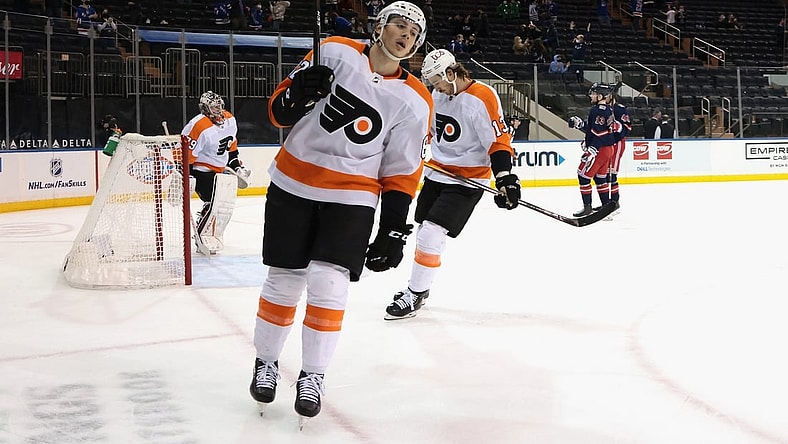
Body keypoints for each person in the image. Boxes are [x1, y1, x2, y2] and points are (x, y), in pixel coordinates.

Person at [249, 1, 431, 423]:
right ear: (379, 27)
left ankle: (313, 375)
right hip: (293, 182)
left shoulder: (416, 99)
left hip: (352, 196)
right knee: (284, 278)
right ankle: (267, 362)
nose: (405, 35)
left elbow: (402, 171)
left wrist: (393, 230)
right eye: (399, 25)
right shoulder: (333, 50)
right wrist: (298, 94)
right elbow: (278, 111)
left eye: (413, 33)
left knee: (329, 283)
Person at [382, 48, 520, 321]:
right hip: (437, 174)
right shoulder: (438, 94)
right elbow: (432, 131)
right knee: (426, 231)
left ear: (451, 72)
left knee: (431, 233)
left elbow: (497, 139)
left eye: (438, 81)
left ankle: (415, 292)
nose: (437, 88)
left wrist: (505, 177)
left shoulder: (482, 97)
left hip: (467, 180)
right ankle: (422, 287)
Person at [180, 91, 249, 233]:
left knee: (223, 206)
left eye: (220, 107)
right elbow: (186, 154)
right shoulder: (198, 125)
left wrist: (236, 165)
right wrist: (186, 175)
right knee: (213, 203)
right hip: (201, 171)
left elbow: (231, 145)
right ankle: (203, 227)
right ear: (205, 109)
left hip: (220, 171)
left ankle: (211, 230)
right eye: (214, 108)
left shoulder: (230, 120)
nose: (218, 111)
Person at [567, 82, 615, 216]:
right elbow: (596, 128)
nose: (591, 95)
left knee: (582, 176)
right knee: (600, 178)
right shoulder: (607, 109)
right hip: (607, 148)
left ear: (600, 96)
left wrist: (592, 149)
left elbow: (599, 133)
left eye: (594, 93)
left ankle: (587, 207)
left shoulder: (597, 110)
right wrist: (581, 124)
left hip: (600, 150)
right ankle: (606, 208)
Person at [602, 84, 630, 211]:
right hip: (607, 144)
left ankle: (614, 202)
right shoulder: (604, 109)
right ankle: (608, 202)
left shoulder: (619, 109)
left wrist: (617, 126)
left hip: (617, 143)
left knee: (612, 174)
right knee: (605, 174)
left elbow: (628, 128)